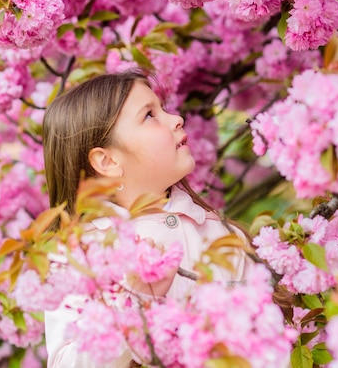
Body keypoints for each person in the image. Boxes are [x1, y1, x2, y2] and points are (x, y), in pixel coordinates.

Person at [41, 70, 251, 367]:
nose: (175, 118)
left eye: (162, 108)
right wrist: (133, 303)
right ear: (108, 161)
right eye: (150, 115)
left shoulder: (219, 235)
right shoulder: (80, 255)